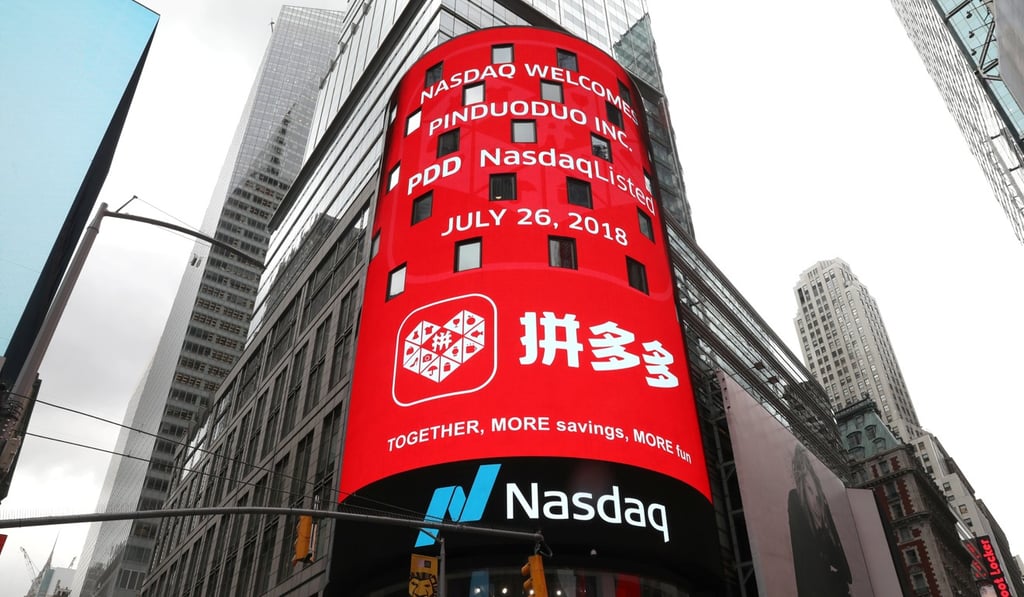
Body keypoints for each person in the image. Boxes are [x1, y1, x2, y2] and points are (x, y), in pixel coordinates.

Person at [788, 445, 852, 596]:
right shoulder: (795, 498)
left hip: (837, 580)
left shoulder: (822, 499)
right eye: (810, 489)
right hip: (819, 583)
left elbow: (835, 541)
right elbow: (800, 548)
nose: (814, 495)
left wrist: (842, 572)